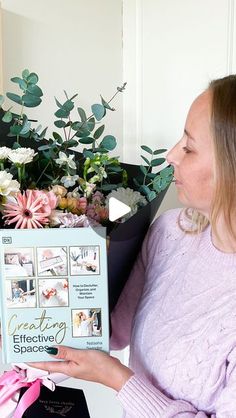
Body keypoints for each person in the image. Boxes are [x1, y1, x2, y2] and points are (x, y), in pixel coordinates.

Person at [32, 75, 236, 417]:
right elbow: (111, 332)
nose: (171, 155)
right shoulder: (172, 233)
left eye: (188, 147)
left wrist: (117, 378)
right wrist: (25, 313)